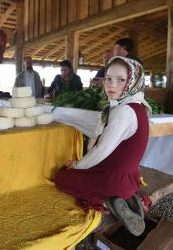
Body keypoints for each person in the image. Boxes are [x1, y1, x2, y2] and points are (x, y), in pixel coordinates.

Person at [54, 56, 152, 236]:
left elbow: (100, 151)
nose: (111, 85)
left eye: (121, 80)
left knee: (62, 177)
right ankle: (127, 199)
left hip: (113, 179)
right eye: (108, 78)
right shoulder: (139, 107)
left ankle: (109, 202)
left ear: (133, 81)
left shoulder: (123, 112)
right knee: (78, 172)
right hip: (130, 177)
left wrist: (76, 164)